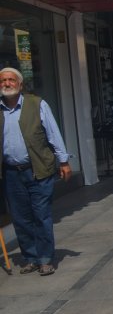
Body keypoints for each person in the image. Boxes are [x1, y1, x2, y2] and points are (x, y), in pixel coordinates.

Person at [0, 68, 72, 276]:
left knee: (41, 215)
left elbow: (53, 133)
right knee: (21, 218)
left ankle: (45, 258)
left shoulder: (37, 104)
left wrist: (64, 161)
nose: (7, 83)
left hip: (38, 169)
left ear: (20, 84)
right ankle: (30, 257)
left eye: (11, 80)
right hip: (11, 173)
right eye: (3, 80)